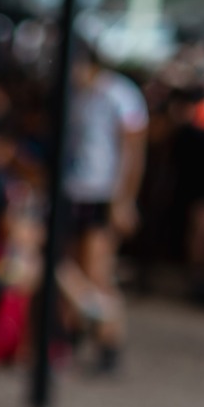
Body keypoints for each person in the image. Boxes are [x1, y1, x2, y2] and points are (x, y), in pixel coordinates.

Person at [59, 39, 148, 372]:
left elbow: (133, 153)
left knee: (97, 270)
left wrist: (124, 199)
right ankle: (75, 330)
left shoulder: (119, 95)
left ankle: (109, 339)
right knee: (71, 267)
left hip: (102, 193)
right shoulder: (75, 95)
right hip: (75, 190)